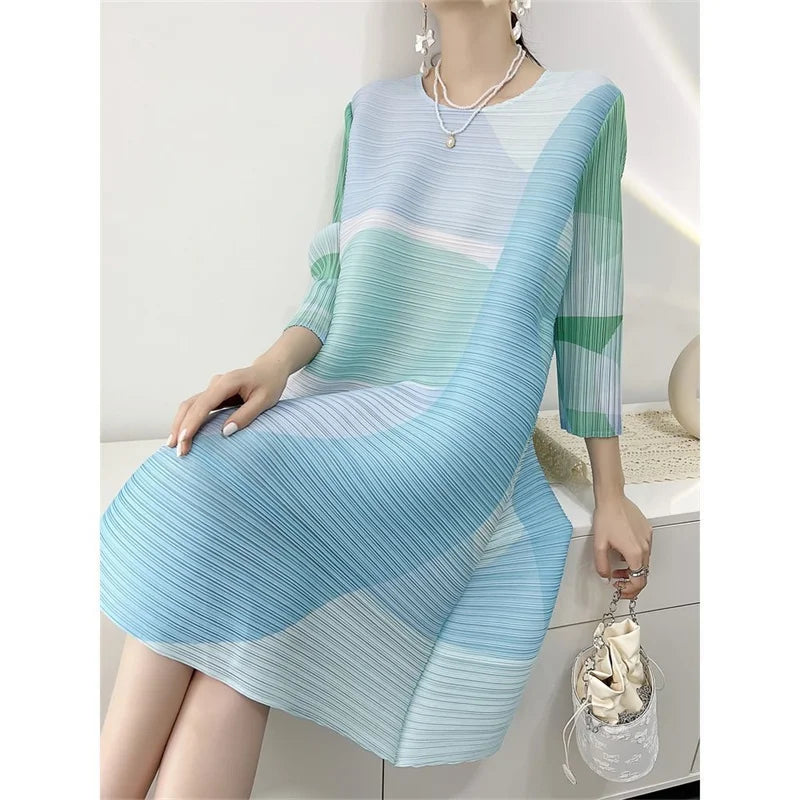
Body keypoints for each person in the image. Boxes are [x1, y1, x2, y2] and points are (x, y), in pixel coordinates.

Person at [100, 1, 654, 796]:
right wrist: (268, 367)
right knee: (207, 535)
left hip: (460, 427)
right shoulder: (375, 112)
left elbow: (591, 314)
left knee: (219, 510)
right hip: (344, 400)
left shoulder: (584, 110)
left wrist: (612, 494)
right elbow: (333, 286)